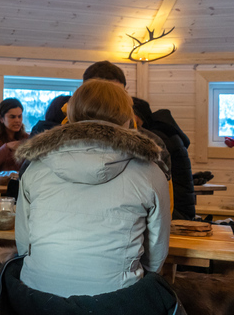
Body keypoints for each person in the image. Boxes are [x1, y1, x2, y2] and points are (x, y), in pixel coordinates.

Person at [14, 79, 171, 297]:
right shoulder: (150, 172)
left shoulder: (36, 167)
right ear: (127, 118)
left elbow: (23, 242)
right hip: (117, 300)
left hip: (37, 296)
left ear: (72, 115)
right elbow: (156, 254)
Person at [133, 97, 195, 220]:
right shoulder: (166, 131)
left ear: (136, 117)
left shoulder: (156, 139)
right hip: (181, 206)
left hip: (174, 211)